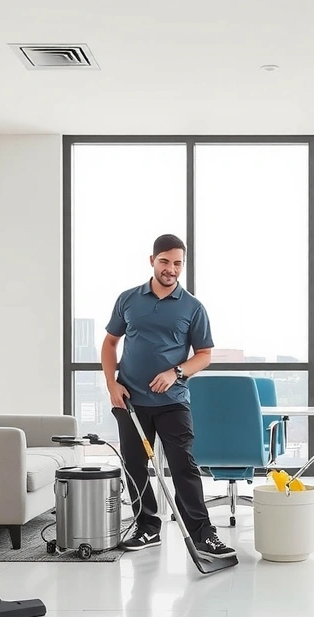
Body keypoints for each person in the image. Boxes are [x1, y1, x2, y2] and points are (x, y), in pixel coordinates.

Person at [102, 234, 235, 559]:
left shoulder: (192, 307)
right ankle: (147, 527)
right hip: (130, 401)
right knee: (134, 467)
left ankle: (203, 534)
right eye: (165, 262)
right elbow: (110, 344)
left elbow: (204, 355)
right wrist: (111, 384)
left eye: (177, 263)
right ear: (152, 261)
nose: (171, 269)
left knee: (183, 467)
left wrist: (175, 372)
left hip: (173, 401)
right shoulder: (128, 299)